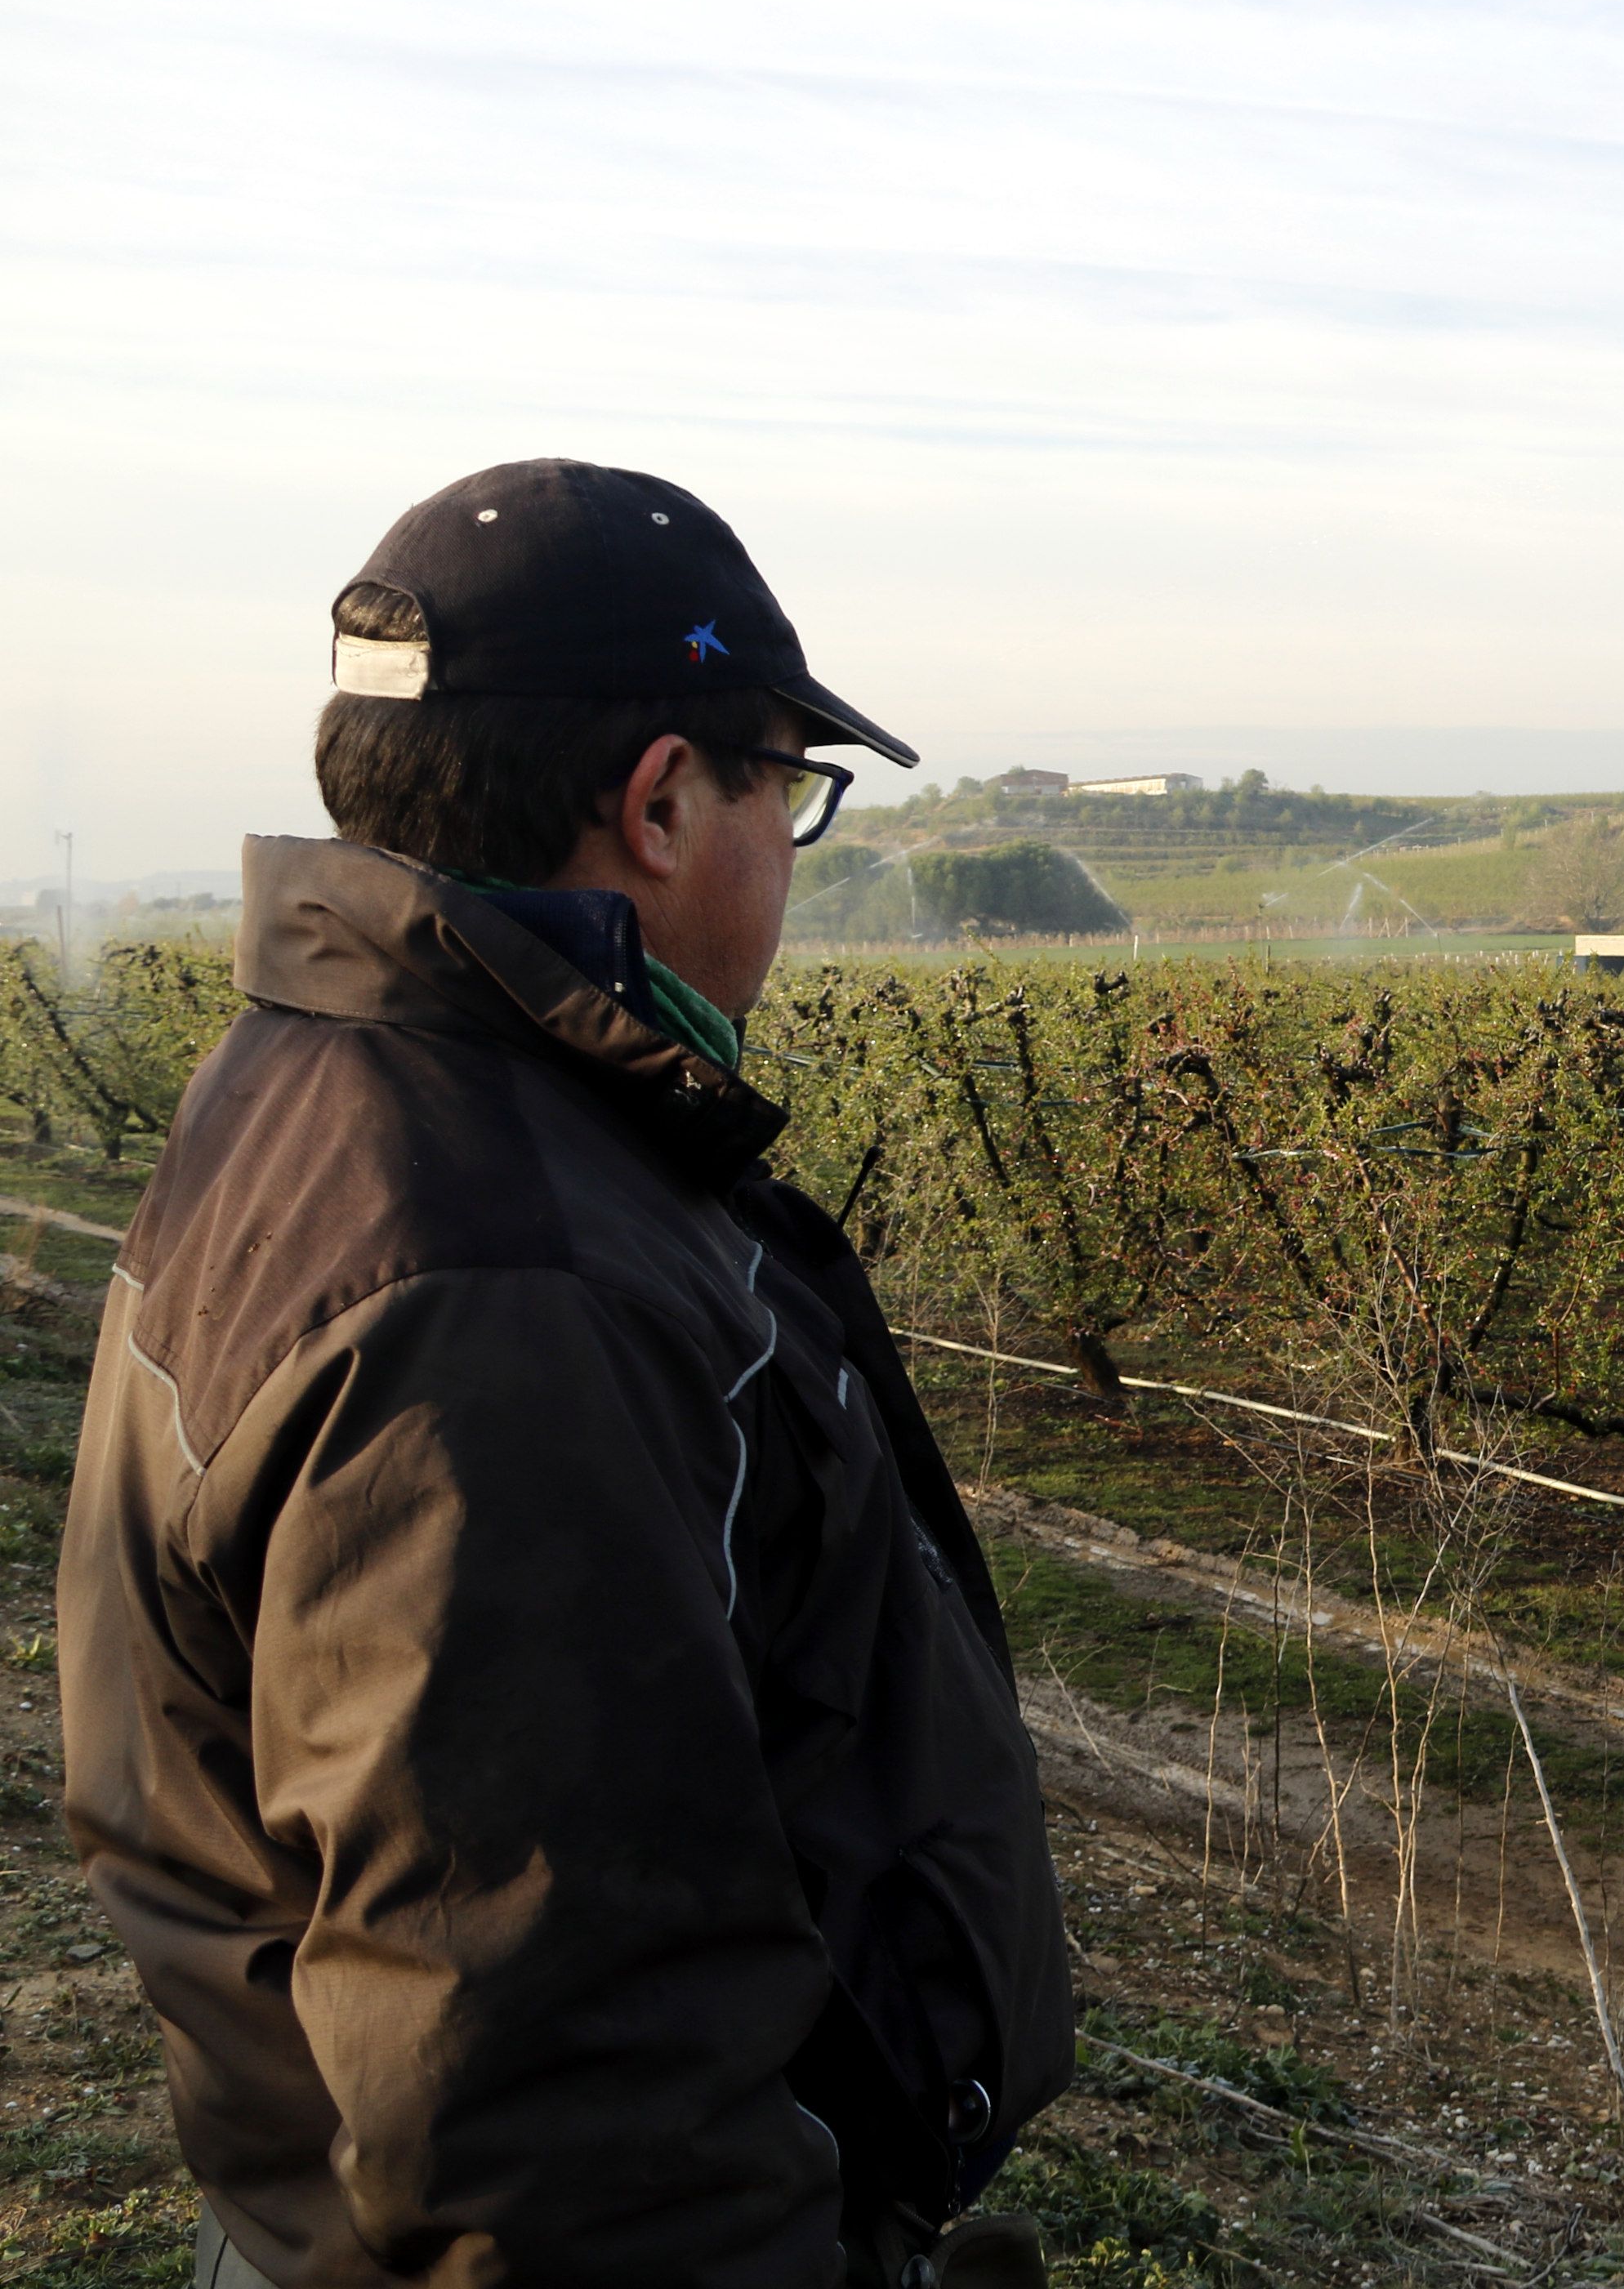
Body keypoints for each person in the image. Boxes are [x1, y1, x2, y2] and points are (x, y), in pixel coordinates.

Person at [58, 461, 1073, 2289]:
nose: (790, 843)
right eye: (790, 786)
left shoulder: (329, 1075)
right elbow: (547, 2068)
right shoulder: (508, 1275)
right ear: (665, 801)